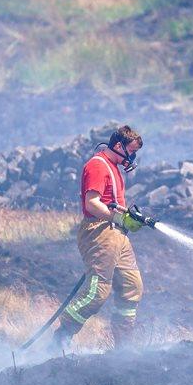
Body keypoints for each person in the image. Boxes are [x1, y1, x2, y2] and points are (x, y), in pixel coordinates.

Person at [52, 125, 145, 349]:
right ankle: (61, 337)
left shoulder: (114, 168)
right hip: (99, 230)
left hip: (117, 234)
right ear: (117, 146)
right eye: (130, 151)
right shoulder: (97, 165)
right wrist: (119, 218)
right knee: (98, 292)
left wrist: (128, 218)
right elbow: (91, 203)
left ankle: (124, 349)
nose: (132, 157)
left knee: (133, 286)